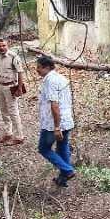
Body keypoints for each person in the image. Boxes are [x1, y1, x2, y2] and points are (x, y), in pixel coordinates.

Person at [35, 56, 76, 187]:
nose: (37, 70)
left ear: (47, 67)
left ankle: (67, 170)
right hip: (66, 120)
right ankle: (63, 178)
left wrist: (57, 127)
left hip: (53, 123)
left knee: (43, 148)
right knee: (62, 147)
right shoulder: (61, 78)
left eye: (39, 67)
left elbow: (55, 105)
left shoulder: (50, 81)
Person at [0, 39, 25, 146]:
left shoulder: (14, 57)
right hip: (0, 86)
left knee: (13, 111)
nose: (1, 48)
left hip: (11, 86)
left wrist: (19, 88)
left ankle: (19, 136)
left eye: (3, 45)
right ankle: (8, 132)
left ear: (8, 45)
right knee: (3, 110)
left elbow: (20, 73)